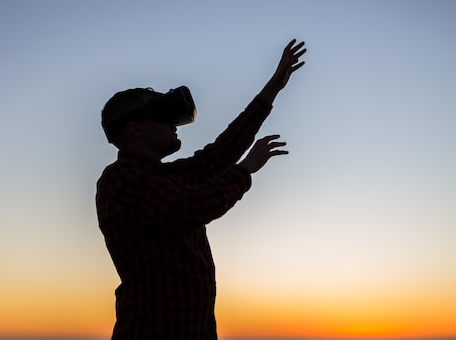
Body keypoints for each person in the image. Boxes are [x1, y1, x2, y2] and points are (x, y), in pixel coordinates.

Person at [96, 39, 307, 340]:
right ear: (135, 129)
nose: (173, 122)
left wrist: (273, 87)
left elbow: (218, 154)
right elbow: (189, 208)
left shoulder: (166, 175)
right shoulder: (121, 178)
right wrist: (245, 170)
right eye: (161, 113)